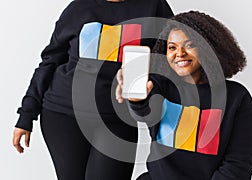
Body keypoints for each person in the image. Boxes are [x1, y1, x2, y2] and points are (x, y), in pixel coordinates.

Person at [12, 0, 173, 179]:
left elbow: (172, 54)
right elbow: (50, 60)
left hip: (117, 118)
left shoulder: (153, 6)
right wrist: (26, 115)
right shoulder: (78, 8)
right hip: (63, 113)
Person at [116, 10, 252, 180]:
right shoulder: (160, 86)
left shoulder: (236, 97)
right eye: (172, 47)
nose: (180, 53)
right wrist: (136, 100)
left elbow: (238, 164)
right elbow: (144, 114)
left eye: (189, 45)